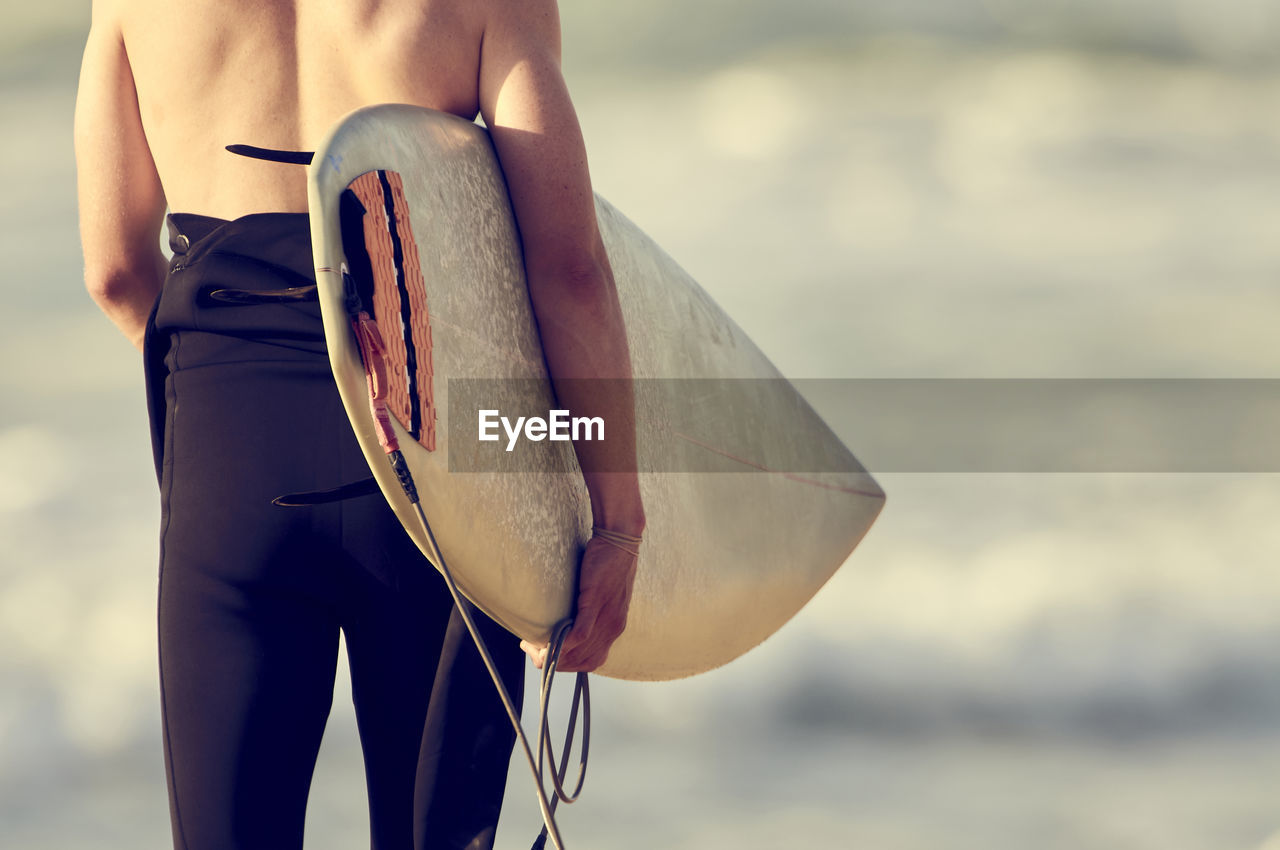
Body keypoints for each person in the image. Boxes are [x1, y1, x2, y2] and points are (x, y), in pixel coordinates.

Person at [73, 0, 645, 847]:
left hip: (232, 467)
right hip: (432, 466)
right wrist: (619, 521)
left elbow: (115, 269)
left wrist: (232, 392)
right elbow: (568, 268)